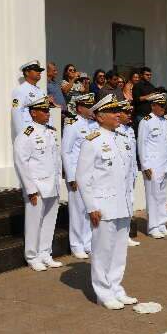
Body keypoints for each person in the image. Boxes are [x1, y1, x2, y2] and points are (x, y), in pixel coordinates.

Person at [76, 94, 137, 310]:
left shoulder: (122, 138)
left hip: (122, 204)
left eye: (118, 111)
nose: (118, 115)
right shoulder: (92, 141)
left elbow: (127, 174)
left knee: (119, 252)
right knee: (102, 252)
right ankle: (103, 293)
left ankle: (116, 288)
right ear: (100, 117)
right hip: (103, 206)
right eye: (113, 112)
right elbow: (83, 177)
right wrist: (91, 206)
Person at [13, 96, 62, 272]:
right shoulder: (26, 133)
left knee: (49, 222)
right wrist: (30, 189)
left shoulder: (50, 131)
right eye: (43, 110)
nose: (47, 113)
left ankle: (45, 254)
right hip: (37, 186)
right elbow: (21, 162)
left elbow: (56, 161)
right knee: (34, 223)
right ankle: (32, 256)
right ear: (33, 113)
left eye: (48, 110)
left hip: (52, 185)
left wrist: (58, 183)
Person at [62, 93, 99, 259]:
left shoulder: (93, 124)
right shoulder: (72, 124)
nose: (91, 108)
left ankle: (88, 242)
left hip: (91, 174)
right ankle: (76, 244)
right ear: (79, 108)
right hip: (77, 174)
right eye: (88, 106)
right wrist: (70, 176)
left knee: (88, 208)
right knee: (77, 211)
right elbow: (66, 151)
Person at [137, 93, 167, 239]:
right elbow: (142, 144)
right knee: (153, 196)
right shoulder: (146, 122)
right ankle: (153, 227)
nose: (164, 108)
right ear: (153, 106)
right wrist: (145, 165)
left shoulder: (163, 121)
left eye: (165, 106)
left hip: (164, 165)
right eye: (161, 105)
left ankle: (161, 224)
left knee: (162, 196)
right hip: (152, 165)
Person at [116, 101, 141, 247]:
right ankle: (119, 236)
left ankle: (126, 234)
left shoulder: (129, 130)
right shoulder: (115, 130)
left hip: (130, 173)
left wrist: (135, 169)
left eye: (130, 112)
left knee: (129, 203)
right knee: (120, 204)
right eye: (126, 112)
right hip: (119, 174)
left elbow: (132, 153)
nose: (129, 115)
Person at [11, 60, 46, 140]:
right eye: (36, 70)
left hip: (42, 130)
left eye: (39, 71)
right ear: (27, 72)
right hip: (29, 132)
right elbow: (16, 112)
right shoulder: (20, 90)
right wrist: (22, 136)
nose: (39, 72)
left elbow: (45, 111)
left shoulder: (41, 91)